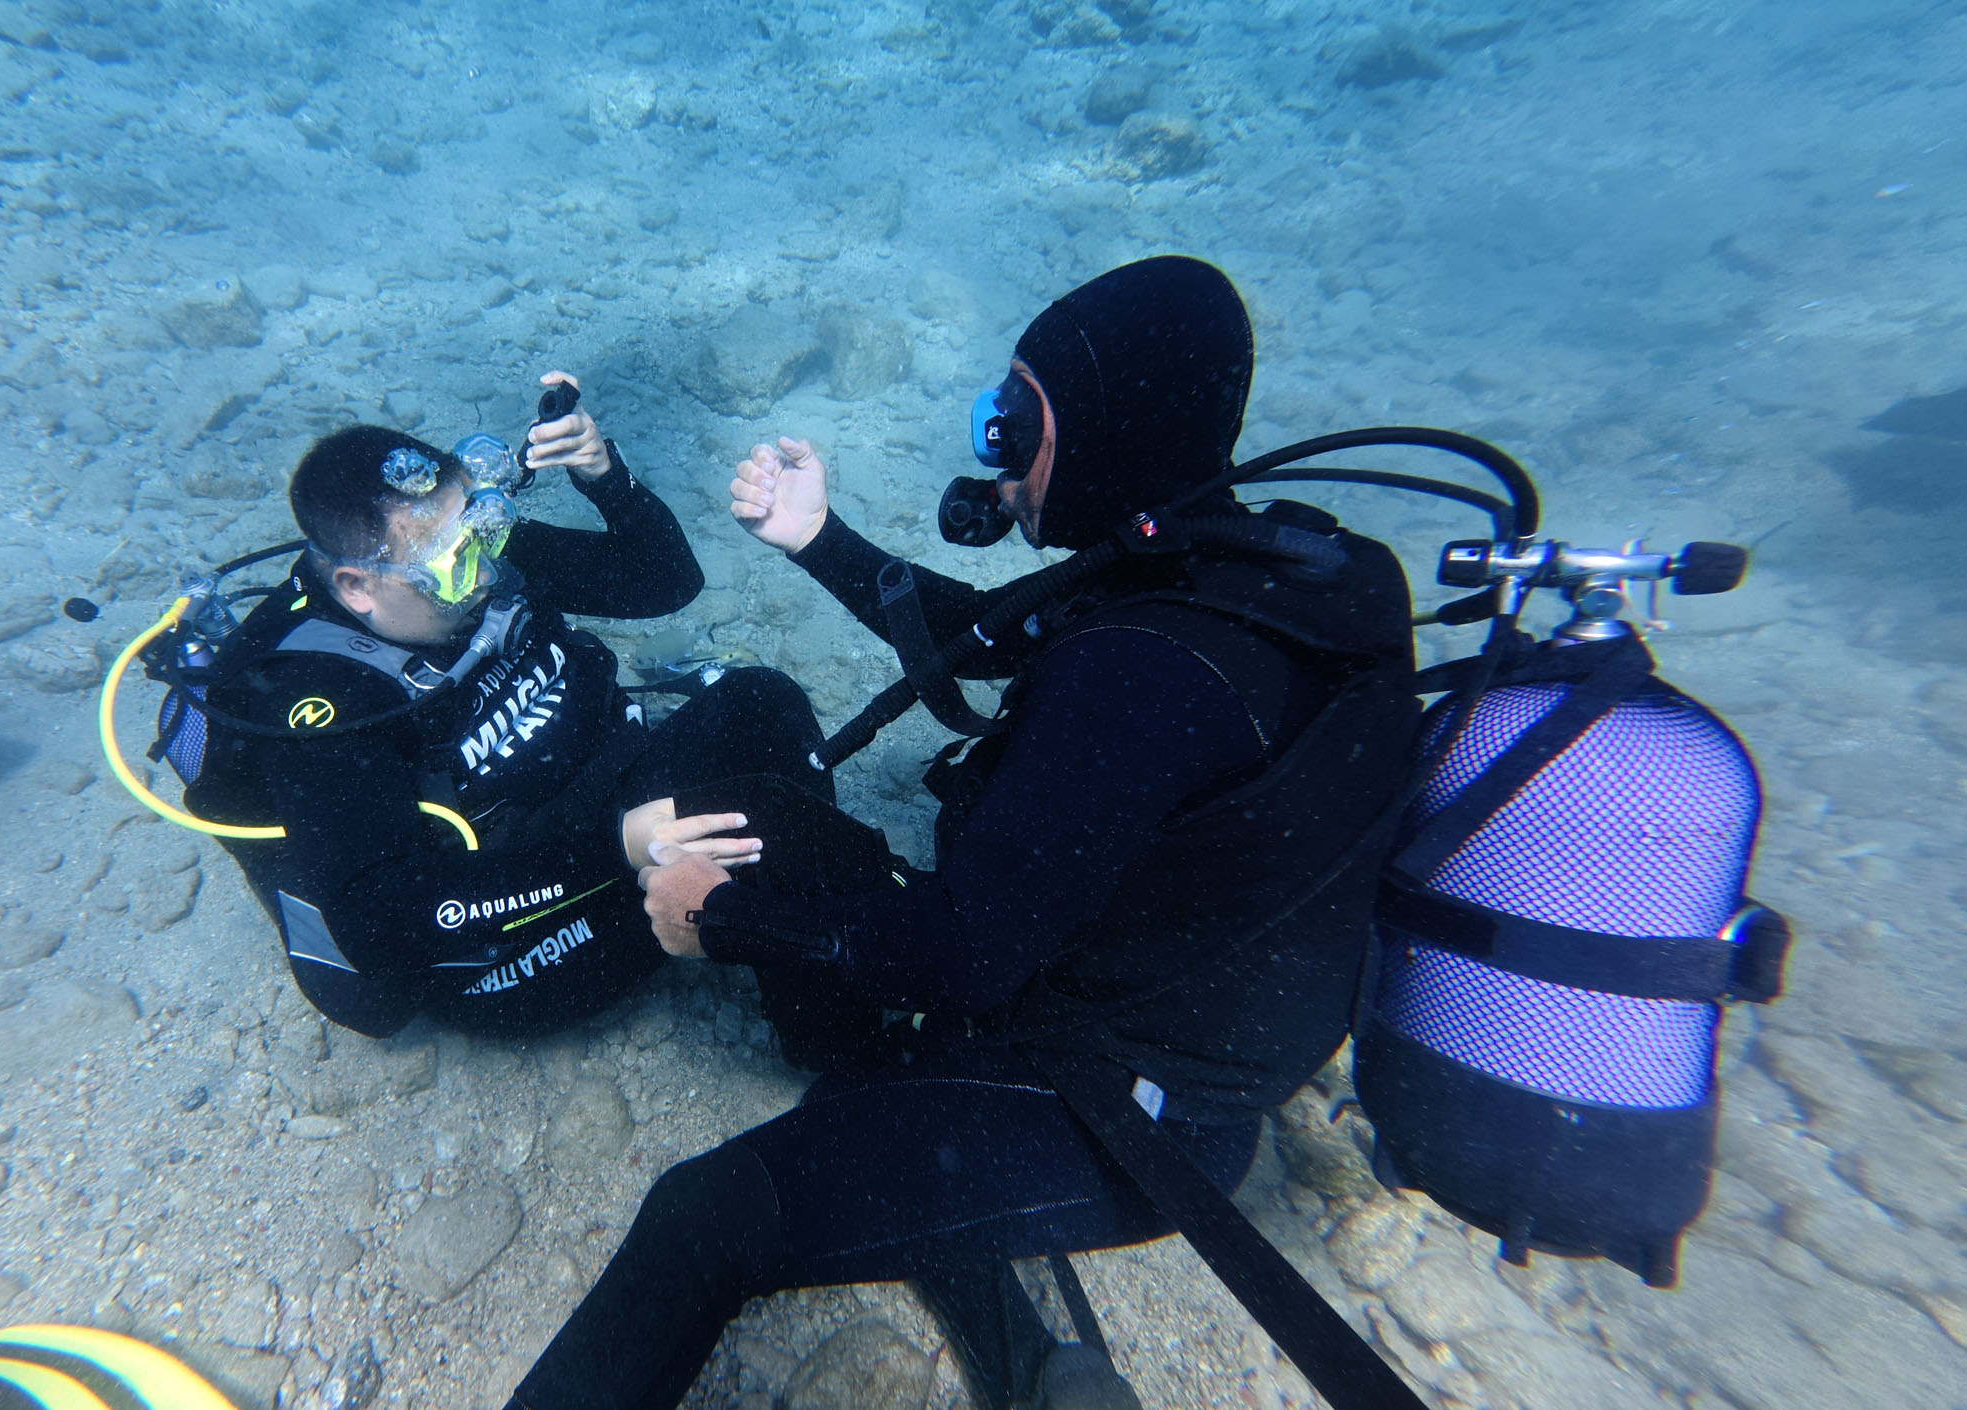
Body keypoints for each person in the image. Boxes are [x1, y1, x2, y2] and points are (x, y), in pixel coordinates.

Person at [503, 258, 1423, 1410]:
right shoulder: (1270, 565)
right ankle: (1008, 1305)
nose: (994, 450)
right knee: (786, 841)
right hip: (1185, 981)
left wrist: (719, 917)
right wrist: (816, 535)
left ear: (1107, 437)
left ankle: (1029, 1339)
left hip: (1140, 1097)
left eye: (1018, 423)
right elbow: (996, 639)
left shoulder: (1134, 673)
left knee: (707, 1217)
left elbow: (959, 953)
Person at [178, 373, 827, 1040]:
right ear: (358, 586)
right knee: (753, 836)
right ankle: (822, 1024)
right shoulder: (320, 704)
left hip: (606, 792)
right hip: (510, 937)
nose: (486, 572)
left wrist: (604, 476)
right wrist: (618, 849)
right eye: (456, 562)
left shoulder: (470, 554)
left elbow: (664, 582)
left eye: (485, 529)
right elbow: (386, 923)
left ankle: (820, 954)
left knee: (763, 704)